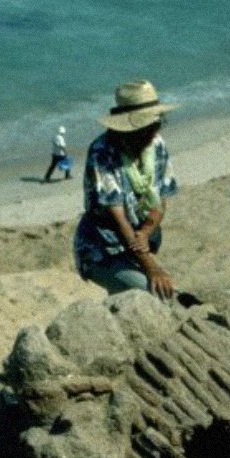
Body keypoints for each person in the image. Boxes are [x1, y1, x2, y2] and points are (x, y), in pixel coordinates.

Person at [73, 80, 179, 300]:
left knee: (158, 291)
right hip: (104, 248)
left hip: (140, 244)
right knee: (149, 293)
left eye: (156, 126)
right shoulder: (102, 152)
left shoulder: (156, 145)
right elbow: (120, 223)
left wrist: (146, 233)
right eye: (147, 129)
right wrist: (152, 266)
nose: (153, 133)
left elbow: (160, 200)